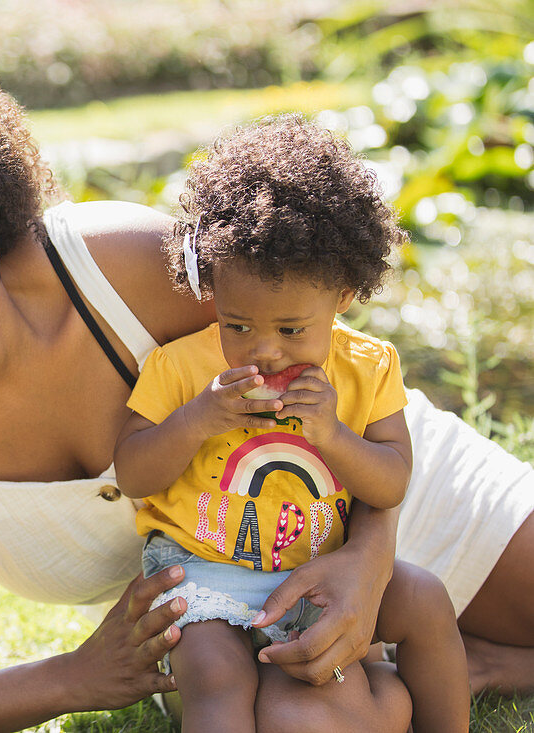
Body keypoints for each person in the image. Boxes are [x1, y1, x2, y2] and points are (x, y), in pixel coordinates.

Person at [0, 42, 533, 731]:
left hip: (398, 499)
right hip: (246, 614)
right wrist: (72, 677)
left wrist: (371, 558)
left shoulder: (116, 270)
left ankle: (489, 654)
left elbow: (321, 338)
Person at [113, 116, 468, 732]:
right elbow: (135, 472)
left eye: (290, 330)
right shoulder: (181, 367)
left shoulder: (367, 368)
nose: (264, 352)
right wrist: (197, 419)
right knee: (216, 676)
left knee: (426, 598)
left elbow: (390, 484)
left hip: (319, 570)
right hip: (205, 574)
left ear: (343, 296)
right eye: (238, 325)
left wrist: (332, 435)